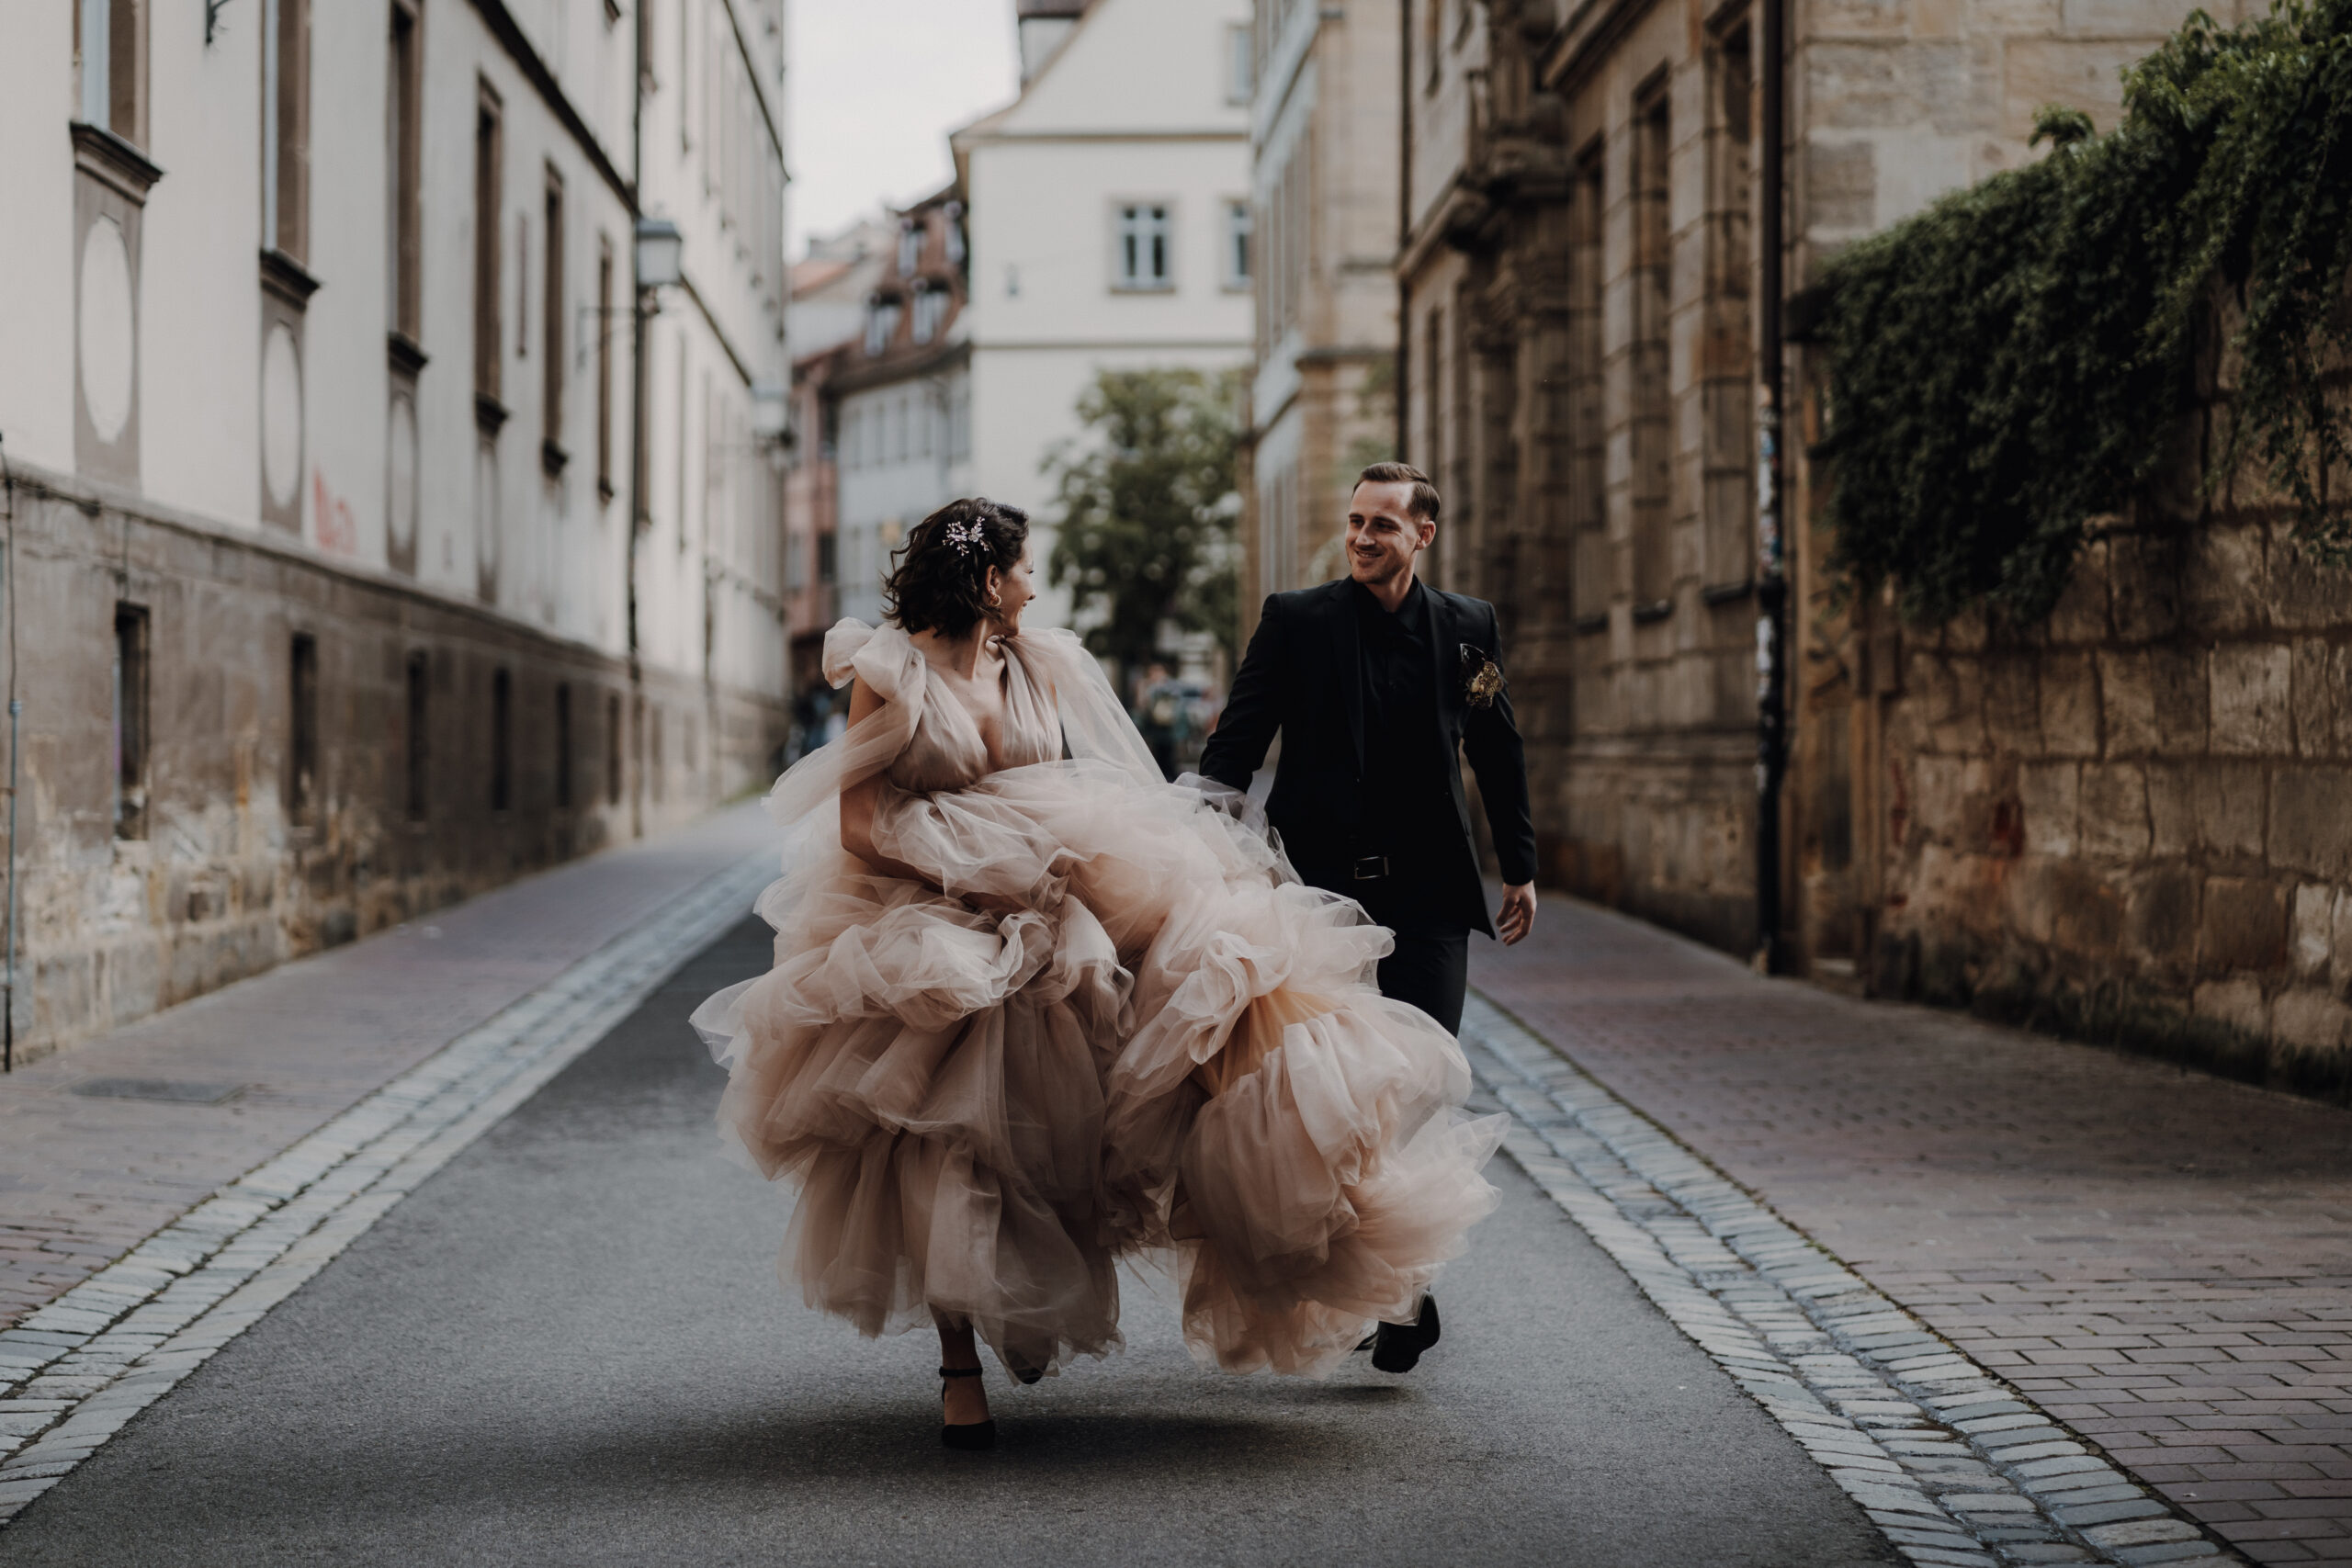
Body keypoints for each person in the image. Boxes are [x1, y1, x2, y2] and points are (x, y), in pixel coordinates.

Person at [693, 498, 1502, 1451]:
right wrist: (976, 868)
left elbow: (1105, 782)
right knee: (939, 1128)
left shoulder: (1044, 659)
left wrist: (1127, 862)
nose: (1038, 581)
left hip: (1056, 896)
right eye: (1028, 565)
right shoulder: (887, 672)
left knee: (1168, 1043)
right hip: (924, 907)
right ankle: (960, 1366)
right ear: (990, 579)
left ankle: (1321, 1237)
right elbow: (860, 824)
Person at [1196, 462, 1537, 1371]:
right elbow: (1237, 740)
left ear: (1422, 534)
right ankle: (1397, 1289)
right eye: (1354, 522)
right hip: (1320, 898)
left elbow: (1495, 745)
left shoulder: (1468, 629)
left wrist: (1521, 865)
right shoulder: (1297, 622)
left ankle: (1396, 1273)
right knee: (1343, 1099)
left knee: (1419, 1085)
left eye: (1382, 525)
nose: (1361, 538)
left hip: (1428, 898)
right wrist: (1196, 836)